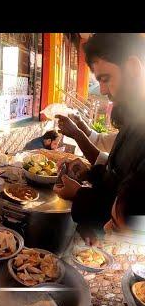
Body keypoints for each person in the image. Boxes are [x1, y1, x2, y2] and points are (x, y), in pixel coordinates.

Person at [54, 34, 145, 243]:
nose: (103, 90)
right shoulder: (134, 118)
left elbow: (135, 217)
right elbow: (120, 175)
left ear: (133, 67)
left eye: (105, 78)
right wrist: (91, 173)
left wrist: (79, 195)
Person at [55, 107, 121, 167]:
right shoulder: (126, 132)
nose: (103, 93)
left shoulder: (130, 138)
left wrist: (77, 134)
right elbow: (100, 141)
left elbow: (112, 168)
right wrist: (81, 125)